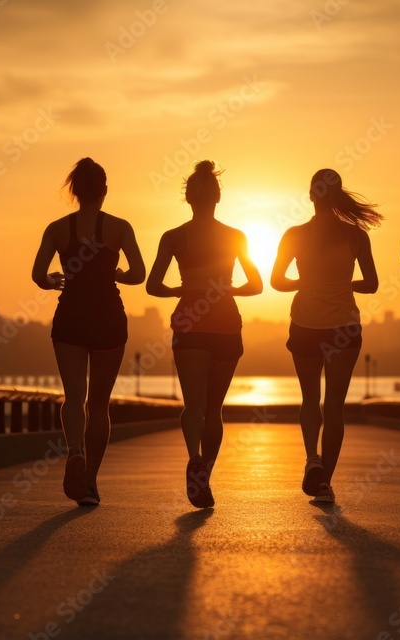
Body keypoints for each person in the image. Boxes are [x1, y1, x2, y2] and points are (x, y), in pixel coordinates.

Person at [146, 160, 263, 509]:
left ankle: (193, 457)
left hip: (190, 324)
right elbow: (256, 285)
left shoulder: (173, 237)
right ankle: (204, 475)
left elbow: (153, 285)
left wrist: (183, 291)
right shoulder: (235, 236)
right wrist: (225, 290)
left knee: (192, 405)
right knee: (214, 410)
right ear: (218, 197)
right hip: (226, 323)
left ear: (188, 197)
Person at [31, 158, 146, 506]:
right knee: (99, 404)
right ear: (105, 191)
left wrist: (53, 282)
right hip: (108, 319)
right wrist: (117, 274)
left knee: (73, 396)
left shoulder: (56, 228)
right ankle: (90, 483)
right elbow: (139, 273)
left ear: (75, 192)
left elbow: (38, 275)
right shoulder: (120, 227)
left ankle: (74, 451)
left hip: (71, 318)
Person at [271, 169, 381, 504]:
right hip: (344, 328)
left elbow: (276, 281)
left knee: (309, 400)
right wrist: (342, 285)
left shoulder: (294, 233)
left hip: (305, 324)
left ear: (310, 196)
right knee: (335, 407)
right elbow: (372, 283)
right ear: (337, 196)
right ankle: (325, 483)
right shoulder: (356, 235)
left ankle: (311, 458)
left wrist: (305, 284)